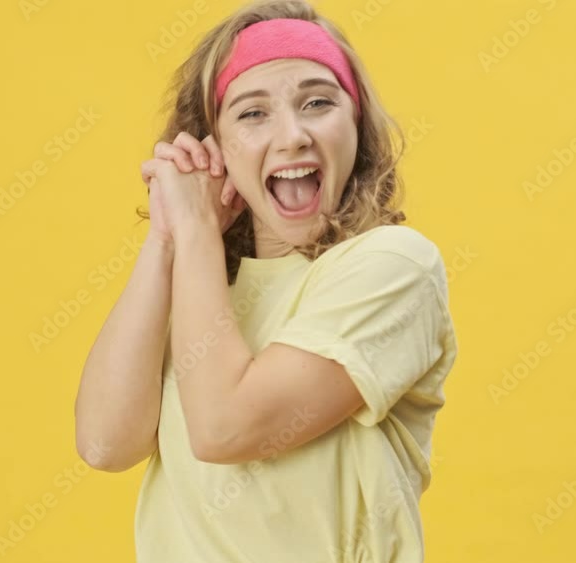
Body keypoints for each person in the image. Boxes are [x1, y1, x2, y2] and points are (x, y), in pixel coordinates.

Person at [73, 1, 459, 561]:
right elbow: (105, 444)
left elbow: (225, 429)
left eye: (318, 102)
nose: (293, 135)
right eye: (252, 113)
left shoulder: (392, 266)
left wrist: (199, 232)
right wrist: (167, 240)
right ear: (216, 147)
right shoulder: (201, 288)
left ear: (356, 125)